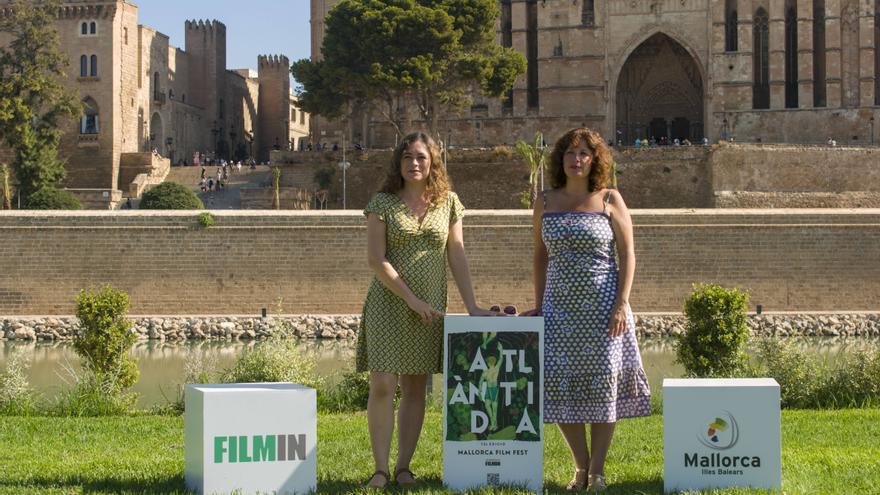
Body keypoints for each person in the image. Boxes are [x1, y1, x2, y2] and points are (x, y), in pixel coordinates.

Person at [356, 131, 499, 489]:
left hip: (431, 310)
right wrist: (410, 298)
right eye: (407, 157)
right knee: (383, 384)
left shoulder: (448, 203)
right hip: (389, 303)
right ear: (398, 163)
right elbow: (376, 260)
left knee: (416, 387)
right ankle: (380, 469)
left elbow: (457, 253)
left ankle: (403, 467)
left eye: (421, 157)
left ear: (432, 160)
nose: (414, 163)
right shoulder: (382, 203)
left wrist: (473, 306)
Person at [521, 128, 651, 492]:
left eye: (584, 153)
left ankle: (597, 471)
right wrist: (540, 304)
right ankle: (580, 467)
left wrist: (622, 303)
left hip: (604, 308)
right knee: (562, 388)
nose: (576, 160)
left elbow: (627, 254)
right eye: (570, 153)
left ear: (595, 160)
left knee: (602, 387)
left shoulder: (610, 198)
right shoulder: (544, 201)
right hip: (559, 310)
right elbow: (540, 256)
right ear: (560, 159)